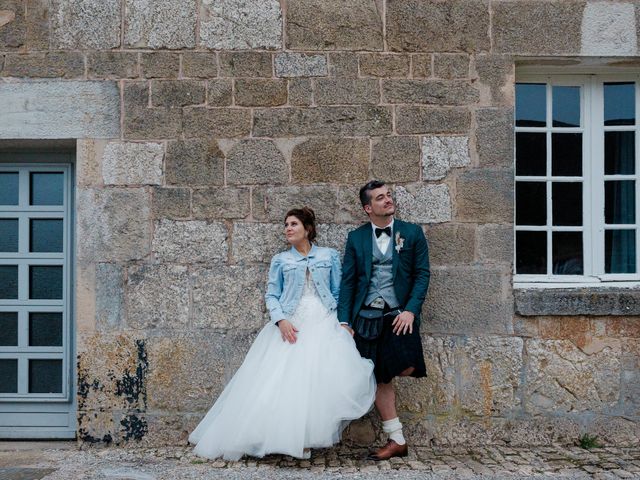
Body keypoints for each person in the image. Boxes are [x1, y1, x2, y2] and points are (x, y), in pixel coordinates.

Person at [189, 207, 376, 461]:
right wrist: (281, 321)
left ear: (307, 229)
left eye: (294, 224)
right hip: (293, 323)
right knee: (284, 382)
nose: (288, 228)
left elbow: (340, 290)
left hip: (324, 321)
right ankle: (283, 437)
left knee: (319, 382)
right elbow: (272, 295)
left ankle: (308, 437)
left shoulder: (329, 256)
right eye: (286, 224)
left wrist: (343, 322)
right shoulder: (281, 260)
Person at [337, 180, 430, 461]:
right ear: (368, 208)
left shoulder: (412, 233)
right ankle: (396, 438)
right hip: (365, 316)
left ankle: (396, 437)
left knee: (407, 365)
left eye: (389, 195)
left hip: (398, 314)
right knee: (378, 377)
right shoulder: (356, 238)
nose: (388, 200)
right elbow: (349, 282)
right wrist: (344, 321)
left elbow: (422, 275)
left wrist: (411, 310)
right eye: (380, 198)